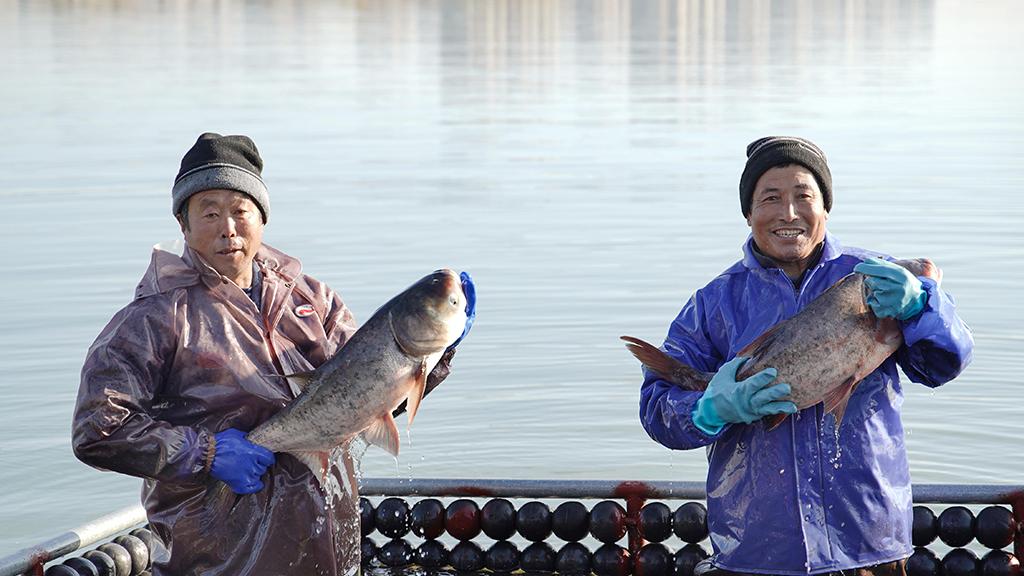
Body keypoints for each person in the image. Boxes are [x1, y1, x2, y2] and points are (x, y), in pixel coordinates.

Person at [72, 133, 475, 576]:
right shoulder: (153, 319)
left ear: (261, 218)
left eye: (240, 210)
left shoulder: (314, 300)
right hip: (222, 555)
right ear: (183, 225)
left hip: (328, 542)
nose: (227, 227)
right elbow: (97, 429)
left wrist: (437, 355)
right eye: (209, 212)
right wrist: (205, 453)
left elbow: (368, 402)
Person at [638, 136, 973, 576]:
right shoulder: (712, 303)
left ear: (825, 207)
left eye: (804, 196)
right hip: (756, 548)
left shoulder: (876, 277)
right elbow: (658, 412)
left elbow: (943, 364)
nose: (788, 213)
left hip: (869, 540)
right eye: (770, 198)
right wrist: (710, 408)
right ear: (748, 213)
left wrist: (924, 308)